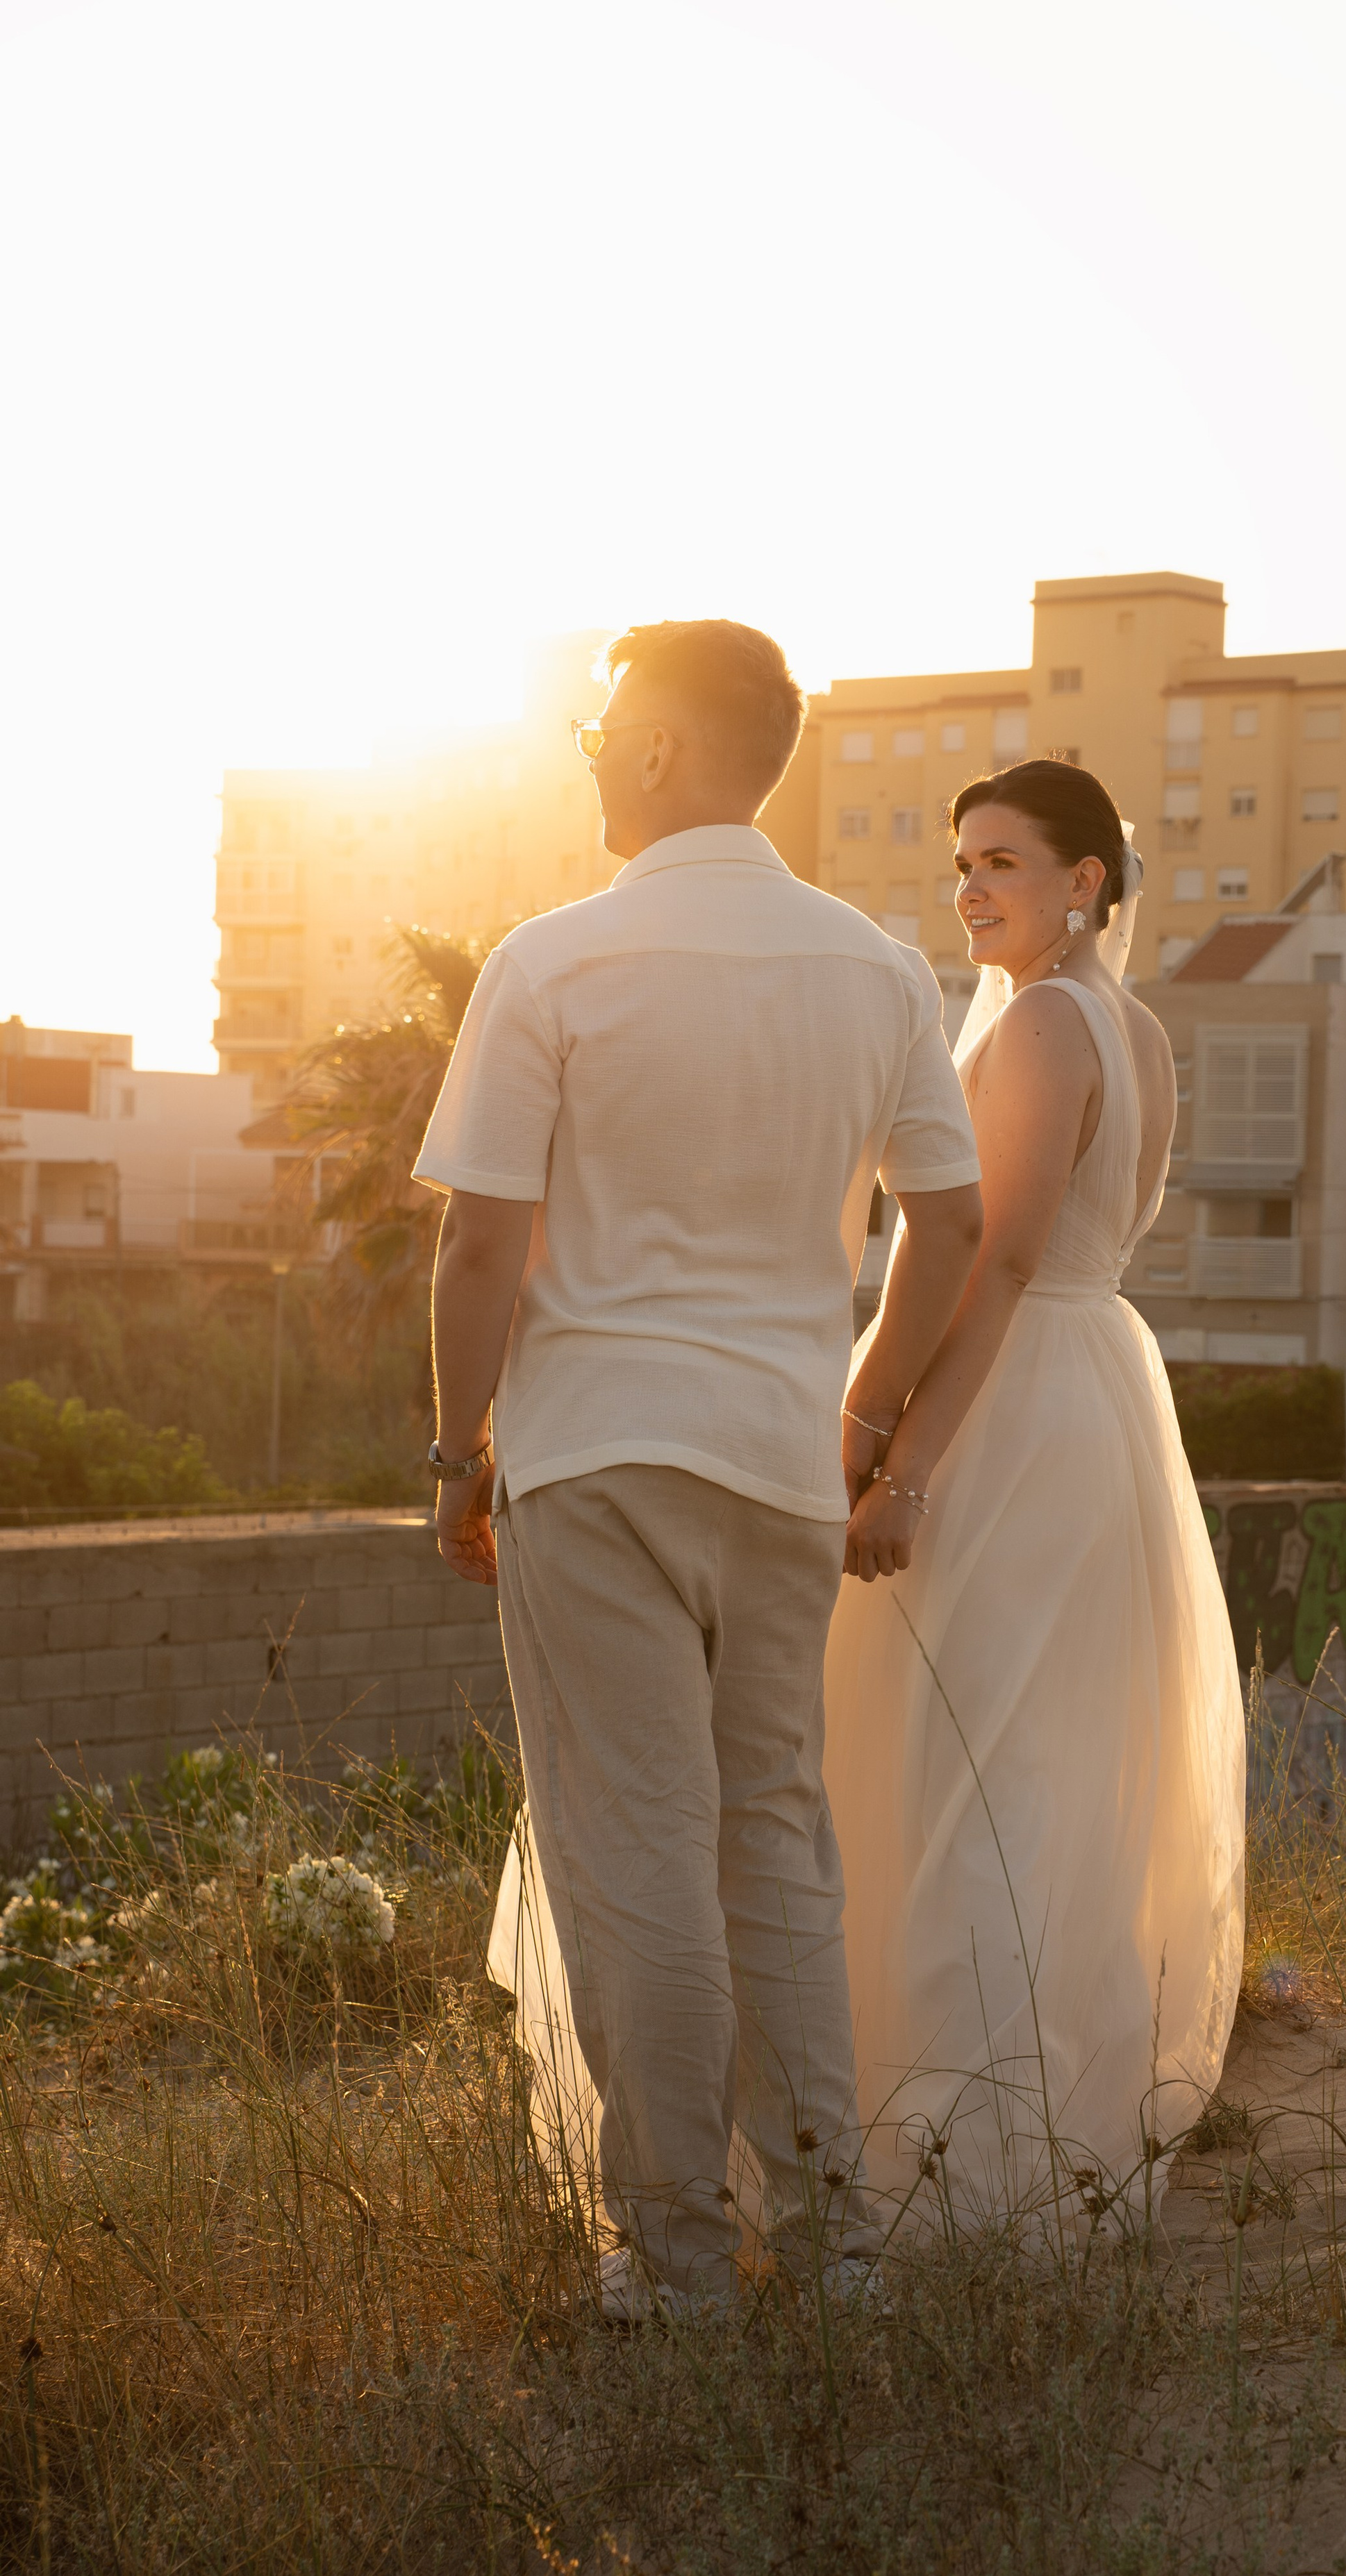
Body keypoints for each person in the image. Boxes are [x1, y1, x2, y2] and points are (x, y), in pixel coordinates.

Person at [415, 618, 983, 2314]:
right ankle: (833, 2240)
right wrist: (859, 1420)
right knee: (775, 1847)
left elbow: (476, 1247)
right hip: (781, 1467)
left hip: (595, 1459)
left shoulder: (553, 961)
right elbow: (951, 1222)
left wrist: (454, 1455)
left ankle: (675, 2260)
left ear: (661, 747)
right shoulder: (876, 969)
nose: (591, 753)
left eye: (603, 727)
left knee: (639, 1855)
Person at [821, 758, 1246, 2220]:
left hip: (1010, 1411)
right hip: (1093, 1393)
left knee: (972, 1765)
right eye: (961, 864)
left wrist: (894, 1456)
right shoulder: (1135, 1025)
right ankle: (1031, 2136)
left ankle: (962, 2160)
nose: (969, 889)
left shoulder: (1048, 1024)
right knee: (1037, 1771)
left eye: (1001, 861)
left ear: (1085, 881)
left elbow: (993, 1262)